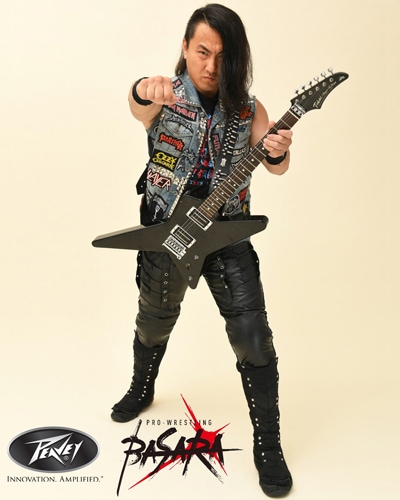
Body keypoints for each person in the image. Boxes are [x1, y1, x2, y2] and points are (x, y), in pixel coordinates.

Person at [111, 4, 293, 497]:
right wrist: (141, 88)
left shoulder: (249, 109)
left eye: (223, 55)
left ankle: (268, 443)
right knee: (153, 321)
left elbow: (276, 164)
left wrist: (279, 150)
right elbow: (137, 104)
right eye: (202, 51)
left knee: (253, 335)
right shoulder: (166, 95)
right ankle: (141, 386)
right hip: (166, 235)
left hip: (227, 235)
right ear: (186, 48)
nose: (211, 65)